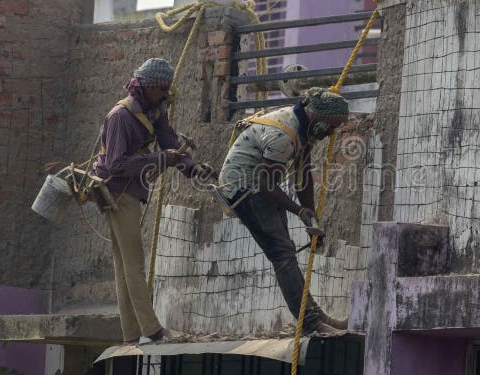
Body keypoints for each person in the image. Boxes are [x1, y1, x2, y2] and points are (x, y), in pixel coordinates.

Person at [92, 58, 215, 344]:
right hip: (117, 193)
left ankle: (130, 334)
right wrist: (160, 158)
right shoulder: (121, 117)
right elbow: (115, 165)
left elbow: (169, 141)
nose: (166, 94)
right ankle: (153, 330)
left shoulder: (154, 110)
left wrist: (191, 168)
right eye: (162, 89)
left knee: (124, 265)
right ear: (145, 87)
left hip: (131, 191)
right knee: (134, 263)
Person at [218, 87, 350, 335]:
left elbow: (303, 173)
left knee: (285, 251)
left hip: (259, 185)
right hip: (242, 188)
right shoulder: (284, 135)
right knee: (282, 254)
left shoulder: (304, 130)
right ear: (318, 119)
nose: (331, 133)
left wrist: (311, 215)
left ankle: (313, 316)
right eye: (331, 127)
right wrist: (299, 212)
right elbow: (266, 185)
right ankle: (310, 324)